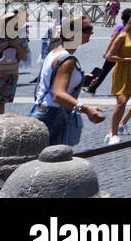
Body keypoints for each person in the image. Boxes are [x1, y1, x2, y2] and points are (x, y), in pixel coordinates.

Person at [29, 16, 105, 146]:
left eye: (91, 28)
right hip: (54, 116)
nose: (91, 32)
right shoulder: (67, 60)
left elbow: (52, 81)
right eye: (87, 29)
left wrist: (81, 81)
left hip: (43, 111)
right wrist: (87, 109)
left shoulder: (55, 52)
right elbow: (58, 95)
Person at [105, 13, 131, 144]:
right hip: (122, 71)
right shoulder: (122, 36)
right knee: (121, 102)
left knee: (124, 103)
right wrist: (129, 59)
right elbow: (109, 56)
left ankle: (111, 132)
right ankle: (113, 133)